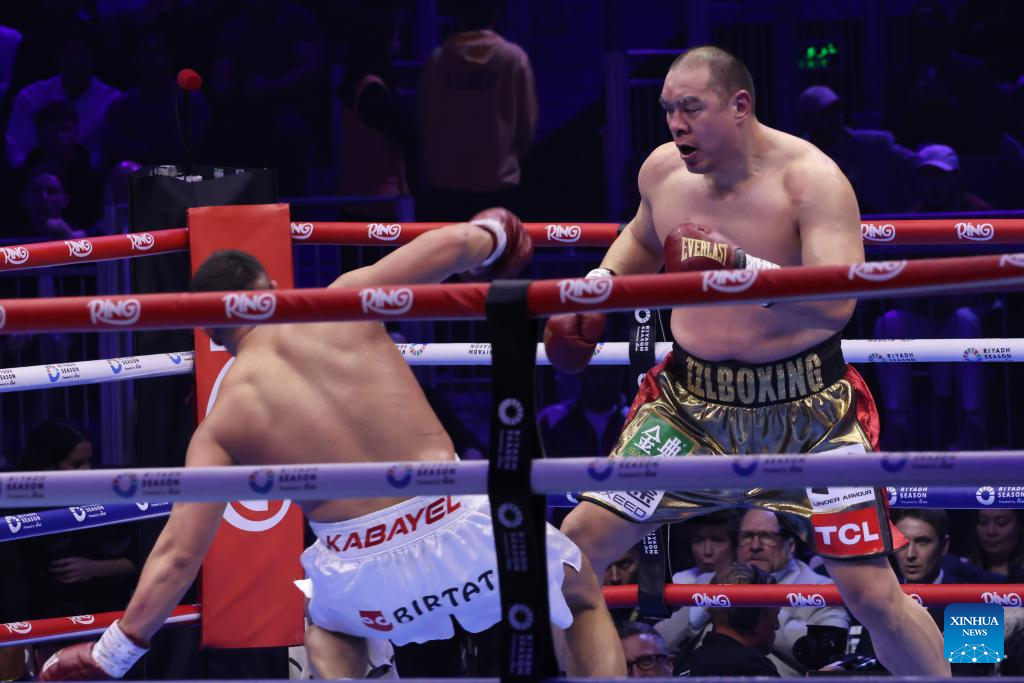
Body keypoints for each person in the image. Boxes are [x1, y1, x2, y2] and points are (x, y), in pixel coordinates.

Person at [39, 209, 625, 680]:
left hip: (362, 572)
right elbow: (452, 246)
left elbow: (178, 555)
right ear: (272, 288)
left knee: (328, 624)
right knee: (577, 595)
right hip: (465, 526)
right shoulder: (348, 300)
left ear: (210, 330)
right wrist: (494, 233)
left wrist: (113, 653)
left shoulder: (222, 422)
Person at [545, 45, 949, 676]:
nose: (676, 124)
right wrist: (599, 287)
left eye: (690, 108)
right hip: (687, 408)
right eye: (667, 109)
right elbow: (644, 237)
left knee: (871, 593)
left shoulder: (811, 180)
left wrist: (739, 268)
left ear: (739, 105)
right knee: (572, 552)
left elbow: (837, 305)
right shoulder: (663, 171)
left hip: (810, 412)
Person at [417, 0, 537, 218]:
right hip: (499, 180)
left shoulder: (437, 61)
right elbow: (527, 123)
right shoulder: (513, 58)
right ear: (496, 12)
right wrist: (510, 160)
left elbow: (426, 120)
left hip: (446, 181)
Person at [796, 84, 915, 213]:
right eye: (825, 115)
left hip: (882, 222)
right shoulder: (798, 158)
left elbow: (920, 166)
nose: (835, 120)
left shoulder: (875, 144)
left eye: (837, 112)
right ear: (807, 121)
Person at [682, 562, 780, 677]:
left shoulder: (685, 664)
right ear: (751, 615)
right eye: (774, 616)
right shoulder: (754, 668)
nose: (776, 625)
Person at [967, 509, 1024, 581]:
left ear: (1020, 525)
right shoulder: (961, 570)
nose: (991, 531)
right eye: (982, 522)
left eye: (1001, 523)